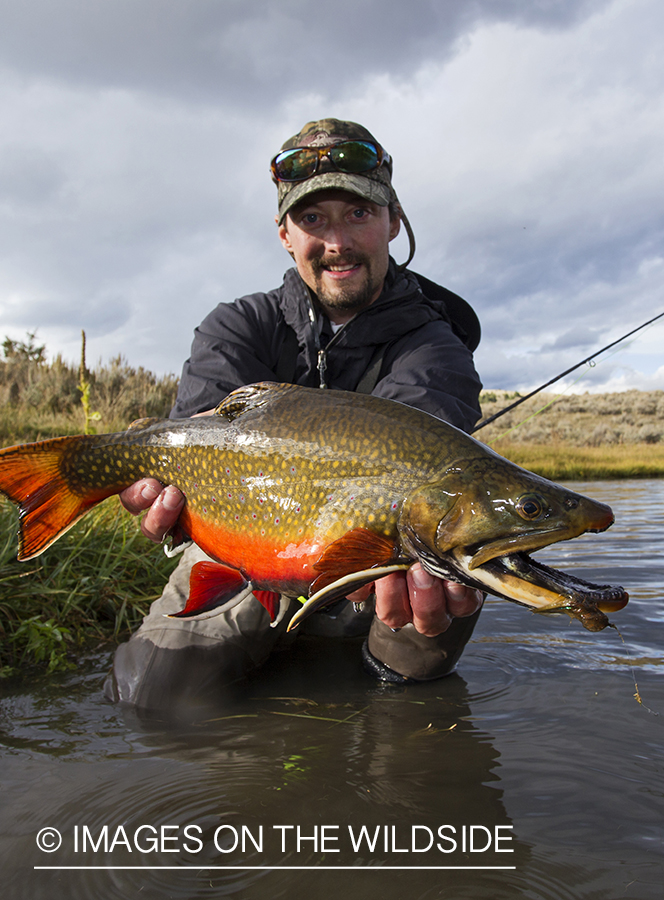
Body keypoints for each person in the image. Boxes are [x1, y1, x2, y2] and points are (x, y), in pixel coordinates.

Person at [104, 119, 484, 709]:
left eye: (358, 214)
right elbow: (193, 451)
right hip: (242, 549)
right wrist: (160, 493)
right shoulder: (237, 327)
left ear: (393, 223)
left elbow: (417, 473)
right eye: (313, 220)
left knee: (413, 690)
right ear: (285, 234)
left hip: (381, 565)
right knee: (151, 695)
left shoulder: (437, 346)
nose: (337, 242)